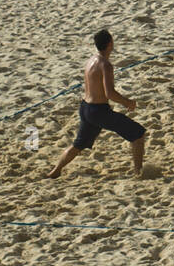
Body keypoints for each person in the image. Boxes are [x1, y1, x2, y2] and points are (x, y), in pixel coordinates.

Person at [46, 29, 146, 178]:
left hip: (85, 108)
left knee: (78, 145)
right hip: (98, 112)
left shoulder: (91, 60)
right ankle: (139, 172)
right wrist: (128, 102)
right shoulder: (105, 65)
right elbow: (109, 93)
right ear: (110, 44)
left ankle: (55, 170)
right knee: (138, 135)